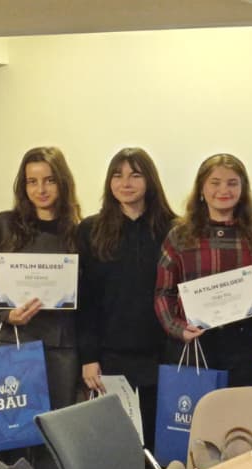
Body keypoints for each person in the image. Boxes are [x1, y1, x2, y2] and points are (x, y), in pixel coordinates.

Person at [0, 146, 82, 469]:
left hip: (58, 353)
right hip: (5, 349)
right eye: (32, 181)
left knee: (53, 446)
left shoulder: (77, 233)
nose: (40, 189)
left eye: (49, 180)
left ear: (63, 183)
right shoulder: (1, 226)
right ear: (22, 185)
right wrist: (3, 312)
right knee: (3, 447)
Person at [75, 147, 178, 450]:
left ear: (150, 180)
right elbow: (86, 300)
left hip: (164, 356)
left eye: (135, 175)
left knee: (163, 448)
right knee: (118, 448)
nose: (125, 183)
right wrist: (88, 357)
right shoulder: (90, 230)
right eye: (117, 175)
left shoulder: (174, 229)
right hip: (110, 359)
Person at [154, 153, 252, 388]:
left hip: (241, 350)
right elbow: (164, 292)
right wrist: (179, 329)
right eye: (215, 182)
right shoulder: (179, 236)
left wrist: (245, 320)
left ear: (243, 190)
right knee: (194, 413)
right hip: (193, 346)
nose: (224, 190)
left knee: (239, 411)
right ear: (201, 189)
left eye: (232, 183)